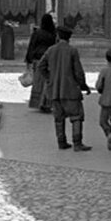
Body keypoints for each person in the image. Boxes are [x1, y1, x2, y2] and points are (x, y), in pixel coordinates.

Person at [36, 23, 91, 151]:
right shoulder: (72, 51)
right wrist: (83, 85)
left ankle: (61, 142)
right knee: (76, 116)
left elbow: (41, 66)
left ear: (58, 36)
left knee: (59, 119)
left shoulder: (51, 50)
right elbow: (78, 72)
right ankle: (77, 143)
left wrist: (50, 78)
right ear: (69, 38)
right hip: (70, 90)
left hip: (55, 90)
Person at [25, 14, 57, 114]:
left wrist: (28, 60)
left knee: (38, 81)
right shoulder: (54, 34)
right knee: (48, 82)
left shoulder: (37, 33)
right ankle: (47, 103)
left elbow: (32, 46)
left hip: (38, 59)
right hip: (50, 60)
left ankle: (38, 102)